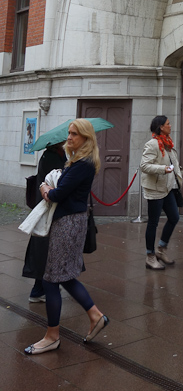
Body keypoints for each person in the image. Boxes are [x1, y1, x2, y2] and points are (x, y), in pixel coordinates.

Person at [24, 119, 108, 355]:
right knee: (65, 276)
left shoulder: (83, 164)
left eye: (74, 134)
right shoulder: (77, 161)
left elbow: (58, 194)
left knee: (52, 279)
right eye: (69, 133)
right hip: (70, 221)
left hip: (68, 223)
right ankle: (95, 316)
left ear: (86, 138)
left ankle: (52, 336)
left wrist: (44, 189)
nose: (69, 137)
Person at [23, 143, 67, 302]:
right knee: (44, 250)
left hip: (50, 210)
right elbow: (56, 183)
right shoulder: (51, 158)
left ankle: (43, 287)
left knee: (46, 250)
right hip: (47, 210)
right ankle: (39, 289)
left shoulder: (57, 156)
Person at [140, 115, 183, 270]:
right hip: (155, 189)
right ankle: (150, 256)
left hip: (168, 188)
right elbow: (144, 166)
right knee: (153, 222)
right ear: (161, 127)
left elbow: (174, 163)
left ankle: (161, 249)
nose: (170, 126)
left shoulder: (168, 144)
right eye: (168, 124)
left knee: (174, 217)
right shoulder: (152, 145)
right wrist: (162, 169)